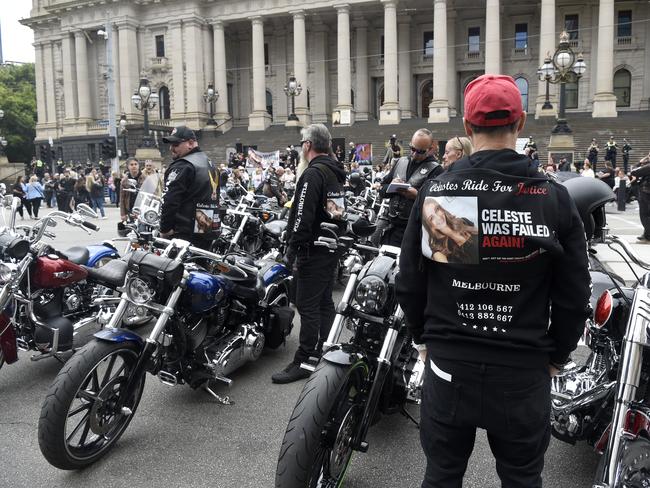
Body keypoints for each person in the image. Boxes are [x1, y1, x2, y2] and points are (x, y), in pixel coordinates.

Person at [396, 74, 591, 488]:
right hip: (521, 369)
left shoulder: (439, 189)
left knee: (442, 476)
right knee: (521, 479)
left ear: (468, 128)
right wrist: (557, 354)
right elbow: (575, 294)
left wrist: (423, 337)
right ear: (520, 124)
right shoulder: (553, 196)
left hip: (450, 362)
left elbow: (410, 279)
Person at [272, 123, 346, 384]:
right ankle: (324, 350)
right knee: (324, 302)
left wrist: (291, 250)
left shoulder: (314, 174)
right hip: (328, 247)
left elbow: (302, 215)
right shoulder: (333, 171)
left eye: (301, 142)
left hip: (313, 249)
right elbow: (337, 213)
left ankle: (305, 358)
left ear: (307, 145)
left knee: (307, 304)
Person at [377, 128, 443, 246]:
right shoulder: (401, 162)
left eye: (420, 151)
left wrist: (417, 196)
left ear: (429, 149)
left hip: (417, 231)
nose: (414, 154)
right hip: (393, 226)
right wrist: (392, 186)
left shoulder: (436, 169)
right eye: (412, 149)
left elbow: (438, 204)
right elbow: (382, 189)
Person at [160, 126, 219, 249]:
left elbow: (170, 200)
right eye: (170, 144)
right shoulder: (210, 164)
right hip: (207, 230)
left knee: (175, 267)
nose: (171, 148)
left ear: (190, 143)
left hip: (183, 233)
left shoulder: (183, 165)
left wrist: (165, 229)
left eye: (175, 144)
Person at [632, 155, 650, 243]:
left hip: (646, 192)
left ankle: (648, 237)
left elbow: (633, 171)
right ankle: (646, 234)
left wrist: (640, 162)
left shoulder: (648, 166)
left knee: (645, 215)